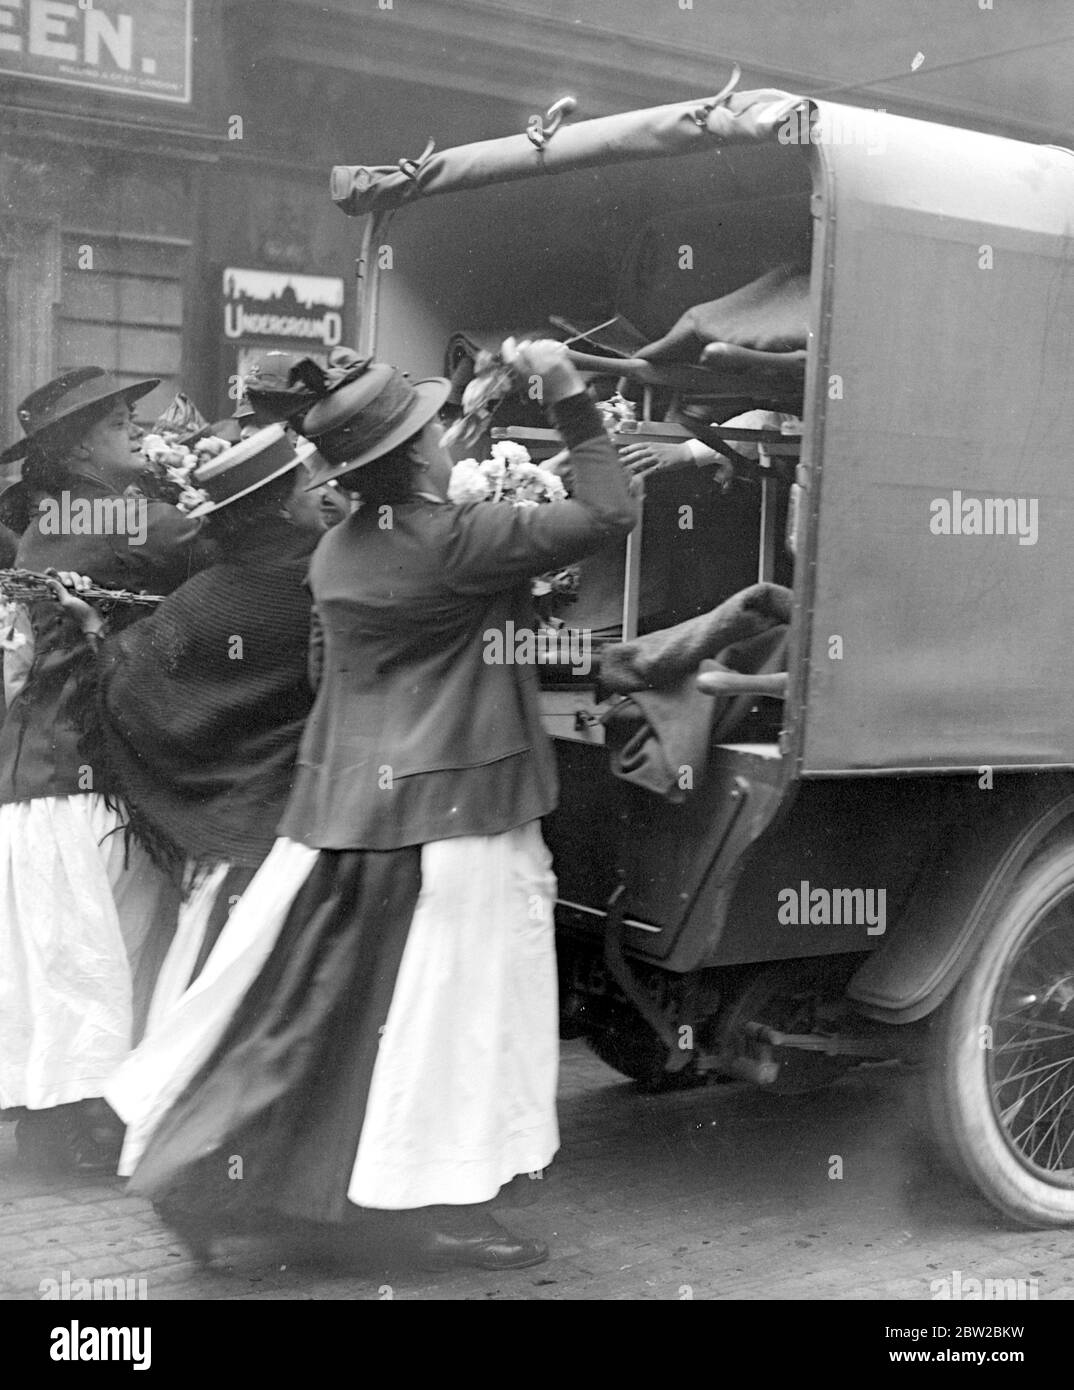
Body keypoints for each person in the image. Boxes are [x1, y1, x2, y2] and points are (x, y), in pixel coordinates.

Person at [105, 339, 638, 1271]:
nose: (440, 439)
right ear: (420, 454)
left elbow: (338, 658)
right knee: (456, 1017)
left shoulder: (339, 553)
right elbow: (611, 509)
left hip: (345, 813)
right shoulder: (462, 543)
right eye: (432, 429)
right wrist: (566, 390)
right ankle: (442, 1207)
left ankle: (220, 1183)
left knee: (313, 1015)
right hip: (460, 811)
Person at [0, 368, 213, 1173]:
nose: (136, 424)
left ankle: (63, 1120)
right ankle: (84, 1120)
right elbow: (221, 547)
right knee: (108, 947)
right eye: (118, 418)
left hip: (40, 771)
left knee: (73, 953)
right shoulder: (109, 512)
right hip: (79, 771)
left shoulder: (52, 518)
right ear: (79, 445)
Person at [49, 426, 325, 1032]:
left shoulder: (205, 596)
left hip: (236, 836)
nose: (321, 488)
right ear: (281, 502)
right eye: (308, 481)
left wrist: (95, 628)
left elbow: (127, 685)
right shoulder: (330, 579)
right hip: (314, 832)